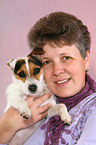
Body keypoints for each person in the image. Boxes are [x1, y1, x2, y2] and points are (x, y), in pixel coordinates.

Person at [0, 11, 96, 145]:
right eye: (47, 62)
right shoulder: (32, 104)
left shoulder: (92, 111)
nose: (57, 71)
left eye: (66, 58)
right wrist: (4, 127)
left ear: (86, 59)